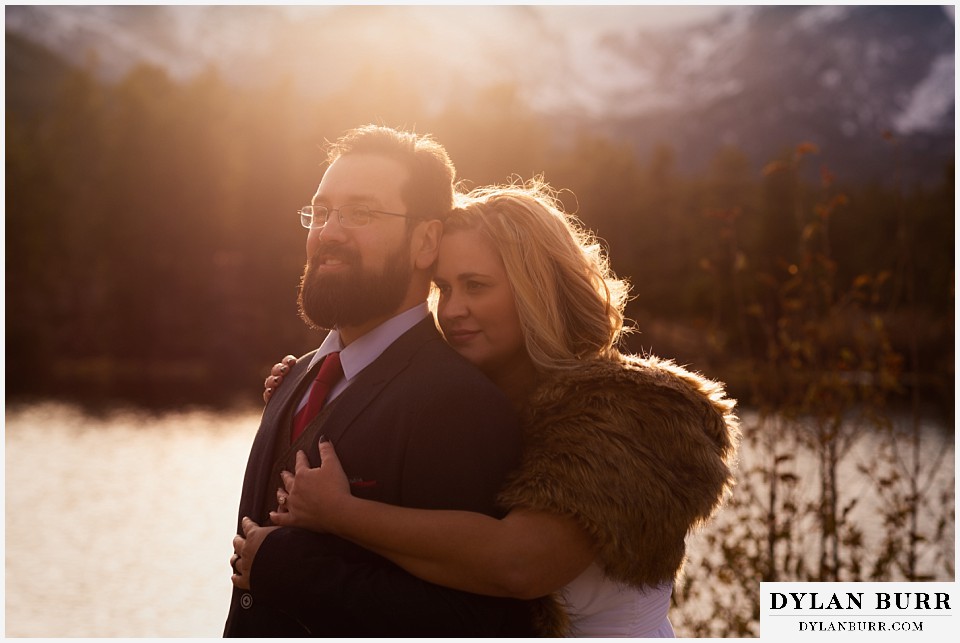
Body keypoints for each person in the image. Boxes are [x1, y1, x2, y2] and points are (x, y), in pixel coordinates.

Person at [264, 179, 741, 637]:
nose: (451, 311)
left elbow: (521, 564)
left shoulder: (628, 412)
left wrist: (339, 512)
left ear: (536, 290)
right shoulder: (466, 405)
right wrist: (321, 389)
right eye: (444, 289)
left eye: (476, 286)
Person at [224, 125, 538, 636]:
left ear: (425, 241)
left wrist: (288, 569)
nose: (329, 232)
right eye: (320, 212)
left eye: (360, 214)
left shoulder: (457, 403)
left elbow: (476, 623)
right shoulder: (295, 378)